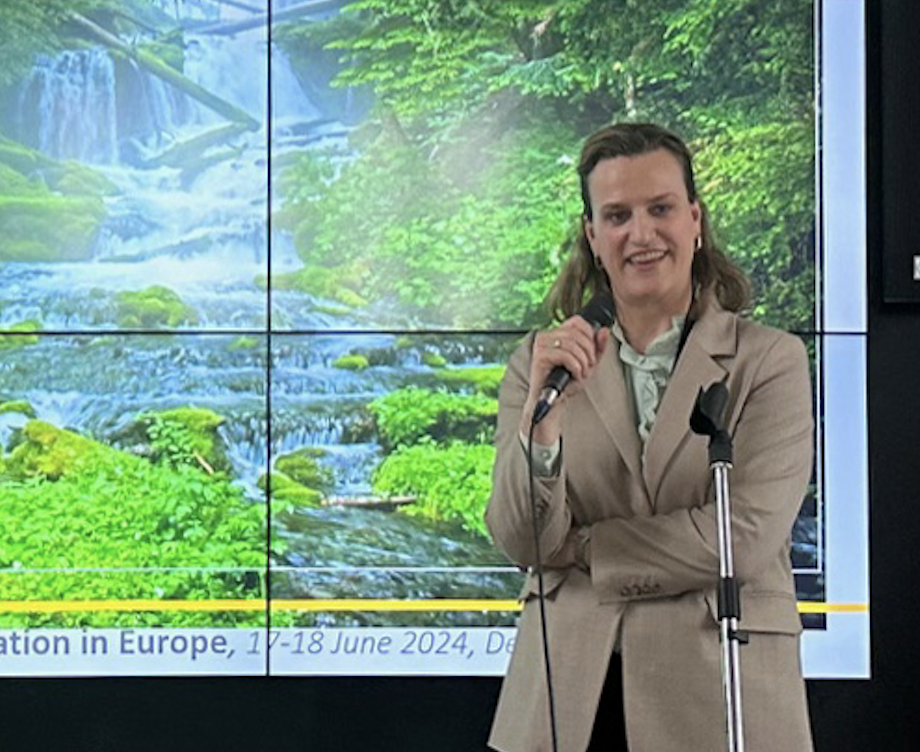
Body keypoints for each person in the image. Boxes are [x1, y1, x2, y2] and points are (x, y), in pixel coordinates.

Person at [485, 122, 814, 752]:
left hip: (719, 691)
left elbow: (741, 537)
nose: (641, 234)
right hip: (566, 702)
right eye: (617, 216)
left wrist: (588, 548)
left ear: (695, 220)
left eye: (660, 209)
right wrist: (542, 427)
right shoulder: (540, 363)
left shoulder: (770, 361)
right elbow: (524, 541)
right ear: (592, 235)